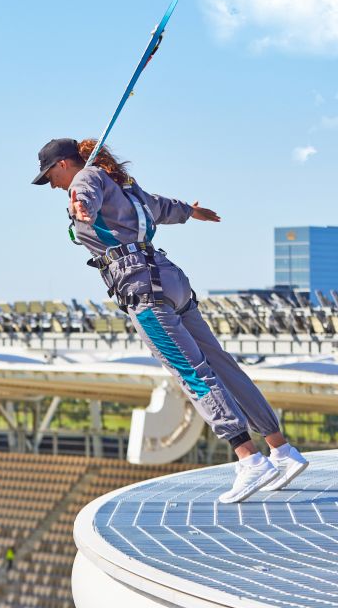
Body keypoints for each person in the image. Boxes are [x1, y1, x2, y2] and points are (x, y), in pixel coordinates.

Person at [32, 138, 308, 503]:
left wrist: (81, 206)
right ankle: (281, 451)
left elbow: (86, 196)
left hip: (142, 289)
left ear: (64, 164)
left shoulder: (85, 180)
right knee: (222, 366)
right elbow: (166, 207)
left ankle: (248, 458)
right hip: (170, 280)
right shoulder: (125, 187)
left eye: (50, 175)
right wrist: (194, 213)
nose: (52, 184)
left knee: (192, 372)